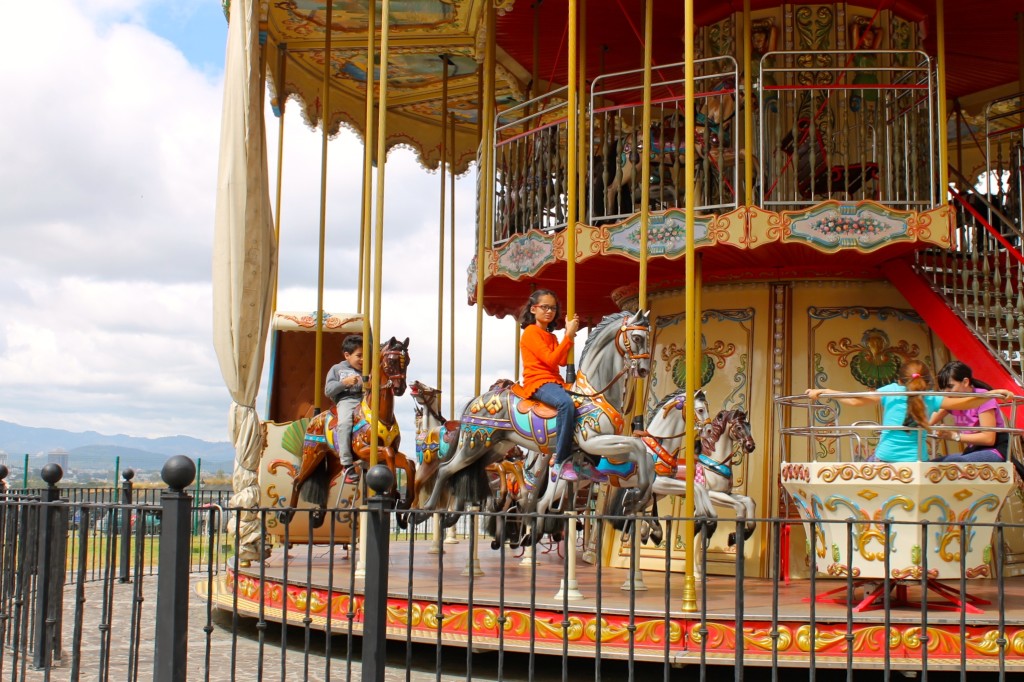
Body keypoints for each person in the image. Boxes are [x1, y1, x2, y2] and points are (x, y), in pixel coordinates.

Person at [805, 359, 1015, 463]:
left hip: (885, 458)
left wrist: (825, 391)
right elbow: (965, 403)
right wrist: (991, 393)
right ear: (925, 380)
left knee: (860, 467)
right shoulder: (931, 397)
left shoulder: (891, 391)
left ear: (899, 380)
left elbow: (854, 400)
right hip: (917, 461)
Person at [511, 290, 606, 482]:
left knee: (587, 407)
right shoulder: (530, 332)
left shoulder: (551, 337)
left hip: (555, 381)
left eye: (552, 308)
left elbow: (562, 361)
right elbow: (551, 360)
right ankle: (561, 461)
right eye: (544, 307)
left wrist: (567, 338)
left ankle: (588, 461)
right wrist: (569, 335)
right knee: (566, 404)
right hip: (538, 382)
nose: (549, 311)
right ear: (533, 309)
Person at [929, 361, 1009, 463]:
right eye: (943, 388)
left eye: (950, 387)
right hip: (974, 450)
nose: (946, 392)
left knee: (955, 463)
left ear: (965, 382)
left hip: (994, 449)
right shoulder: (952, 400)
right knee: (932, 465)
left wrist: (954, 436)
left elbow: (989, 439)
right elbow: (927, 422)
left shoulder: (983, 397)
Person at [325, 335, 364, 476]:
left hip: (364, 401)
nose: (363, 359)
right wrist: (344, 383)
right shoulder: (337, 369)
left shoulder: (367, 371)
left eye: (365, 356)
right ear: (347, 355)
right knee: (345, 423)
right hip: (347, 401)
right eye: (359, 356)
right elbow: (328, 390)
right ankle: (346, 464)